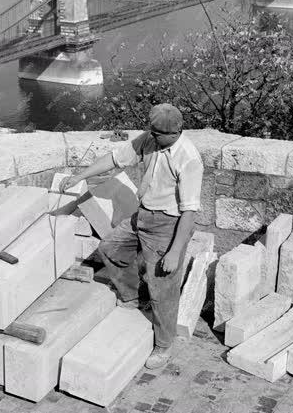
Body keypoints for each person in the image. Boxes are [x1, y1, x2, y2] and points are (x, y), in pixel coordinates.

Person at [60, 103, 203, 369]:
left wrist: (173, 251)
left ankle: (164, 345)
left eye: (158, 134)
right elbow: (114, 158)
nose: (152, 137)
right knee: (110, 248)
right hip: (143, 215)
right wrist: (79, 176)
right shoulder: (150, 140)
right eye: (151, 131)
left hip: (169, 223)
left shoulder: (188, 158)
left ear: (175, 132)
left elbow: (189, 212)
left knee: (164, 287)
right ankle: (135, 297)